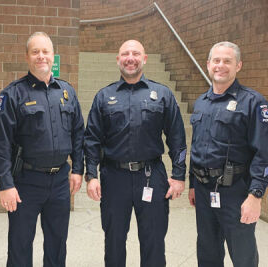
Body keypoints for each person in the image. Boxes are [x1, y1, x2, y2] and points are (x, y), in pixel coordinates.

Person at [84, 40, 187, 267]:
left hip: (152, 176)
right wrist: (91, 176)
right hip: (114, 177)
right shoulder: (104, 96)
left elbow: (178, 138)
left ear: (145, 58)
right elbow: (91, 139)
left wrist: (179, 176)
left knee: (153, 242)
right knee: (114, 241)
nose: (130, 58)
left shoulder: (162, 94)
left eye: (135, 53)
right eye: (125, 54)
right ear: (118, 59)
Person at [0, 32, 84, 267]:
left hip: (60, 181)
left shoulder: (67, 91)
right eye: (35, 52)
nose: (41, 56)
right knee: (20, 244)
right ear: (27, 56)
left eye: (46, 52)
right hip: (25, 182)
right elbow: (0, 143)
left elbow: (78, 133)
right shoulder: (13, 94)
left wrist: (78, 169)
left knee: (57, 242)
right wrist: (6, 184)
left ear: (53, 56)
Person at [188, 41, 268, 267]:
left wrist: (256, 195)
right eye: (216, 60)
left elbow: (264, 152)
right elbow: (196, 147)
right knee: (208, 252)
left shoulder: (253, 102)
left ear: (238, 66)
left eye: (227, 61)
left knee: (243, 255)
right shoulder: (202, 103)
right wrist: (193, 184)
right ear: (208, 64)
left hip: (237, 192)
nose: (220, 65)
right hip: (204, 191)